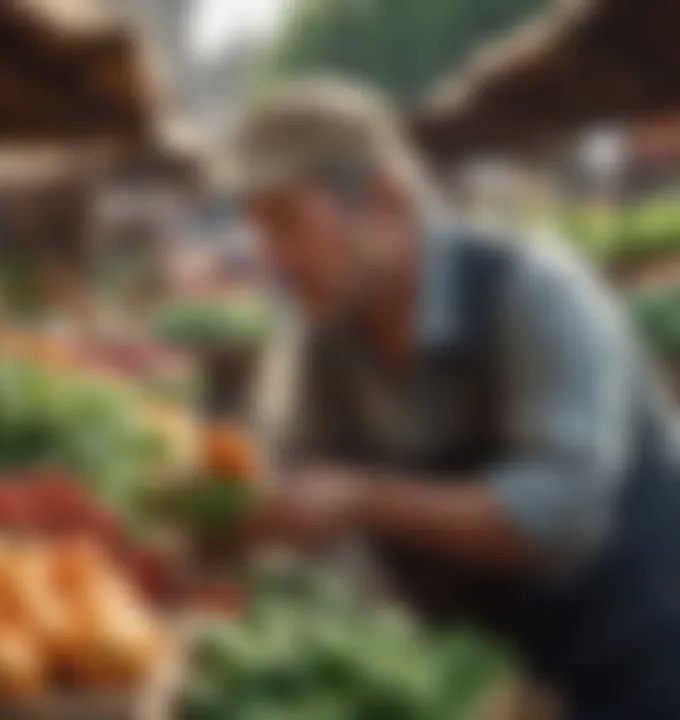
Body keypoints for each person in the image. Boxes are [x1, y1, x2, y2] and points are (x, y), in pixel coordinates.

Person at [220, 77, 680, 720]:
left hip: (632, 663)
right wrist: (220, 521)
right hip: (488, 680)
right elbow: (294, 492)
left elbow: (558, 515)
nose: (272, 260)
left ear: (384, 200)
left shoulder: (535, 292)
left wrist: (360, 498)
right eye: (259, 232)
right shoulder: (321, 343)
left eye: (288, 223)